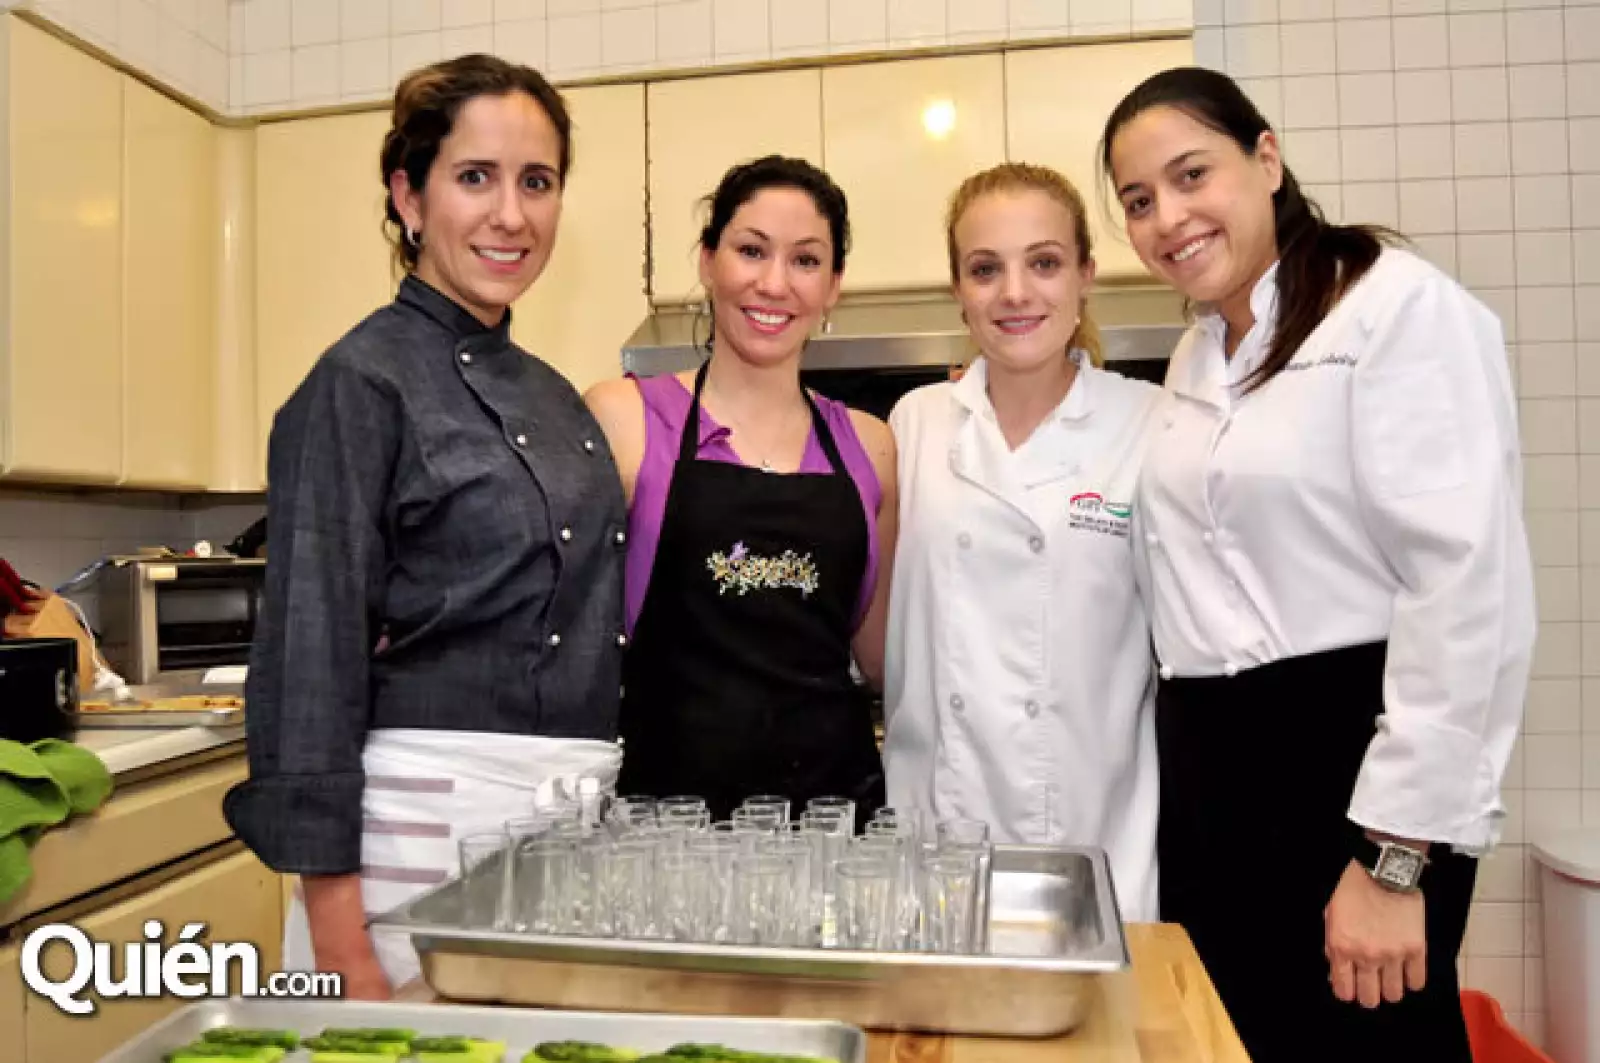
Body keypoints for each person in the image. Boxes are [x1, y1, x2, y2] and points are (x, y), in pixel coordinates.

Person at [1101, 66, 1536, 1062]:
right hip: (1212, 775)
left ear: (1265, 158)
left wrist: (1391, 861)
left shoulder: (1393, 308)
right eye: (1137, 200)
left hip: (1343, 768)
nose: (1167, 217)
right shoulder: (1198, 351)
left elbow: (1466, 589)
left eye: (1189, 175)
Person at [223, 55, 630, 998]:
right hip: (415, 841)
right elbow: (308, 663)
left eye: (538, 181)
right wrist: (341, 942)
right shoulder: (358, 384)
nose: (512, 215)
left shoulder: (553, 394)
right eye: (475, 177)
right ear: (409, 195)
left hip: (563, 834)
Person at [880, 163, 1161, 920]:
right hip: (932, 853)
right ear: (958, 291)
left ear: (1084, 277)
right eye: (985, 269)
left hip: (1098, 848)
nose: (1014, 293)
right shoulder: (915, 423)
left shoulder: (1152, 422)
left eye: (1043, 262)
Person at [585, 155, 896, 826]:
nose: (774, 283)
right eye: (751, 250)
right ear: (707, 260)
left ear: (834, 285)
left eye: (806, 260)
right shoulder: (628, 420)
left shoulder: (869, 446)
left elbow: (879, 660)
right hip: (667, 833)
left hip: (834, 830)